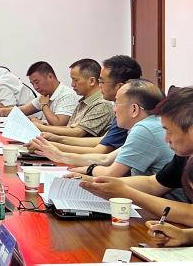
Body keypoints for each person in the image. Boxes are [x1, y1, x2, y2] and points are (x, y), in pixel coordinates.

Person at [36, 80, 180, 190]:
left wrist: (86, 171)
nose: (114, 109)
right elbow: (105, 158)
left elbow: (110, 174)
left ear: (134, 109)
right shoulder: (151, 123)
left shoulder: (144, 129)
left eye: (117, 104)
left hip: (161, 207)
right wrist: (61, 156)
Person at [80, 87, 193, 226]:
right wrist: (96, 182)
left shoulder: (145, 129)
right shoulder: (184, 156)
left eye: (169, 132)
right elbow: (153, 183)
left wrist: (127, 193)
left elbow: (191, 214)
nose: (166, 139)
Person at [33, 55, 142, 154]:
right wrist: (55, 139)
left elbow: (97, 148)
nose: (100, 85)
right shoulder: (87, 102)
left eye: (102, 81)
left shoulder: (116, 109)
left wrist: (48, 140)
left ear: (120, 87)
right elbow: (102, 141)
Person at [31, 58, 114, 138]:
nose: (72, 84)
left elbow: (78, 133)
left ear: (92, 81)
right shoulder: (84, 102)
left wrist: (42, 127)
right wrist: (43, 125)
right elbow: (69, 128)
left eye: (75, 80)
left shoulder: (102, 104)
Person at [0, 61, 78, 126]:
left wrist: (44, 105)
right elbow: (22, 110)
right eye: (32, 84)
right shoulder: (45, 95)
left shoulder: (67, 95)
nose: (35, 87)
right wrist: (2, 112)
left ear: (50, 77)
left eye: (37, 82)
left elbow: (58, 124)